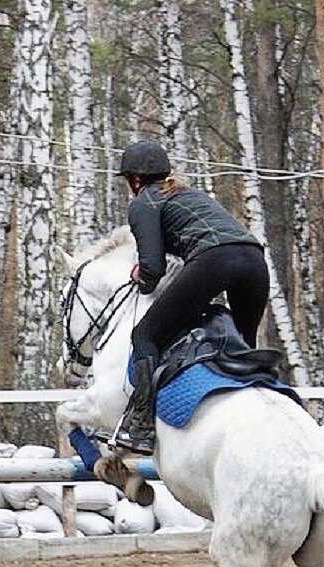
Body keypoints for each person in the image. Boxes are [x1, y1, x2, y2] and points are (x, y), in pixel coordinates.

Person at [111, 140, 270, 455]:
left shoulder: (144, 202)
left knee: (145, 335)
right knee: (242, 349)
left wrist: (142, 278)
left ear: (135, 179)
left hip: (216, 260)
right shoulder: (188, 194)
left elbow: (152, 269)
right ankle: (260, 416)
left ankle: (140, 427)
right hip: (254, 261)